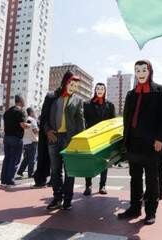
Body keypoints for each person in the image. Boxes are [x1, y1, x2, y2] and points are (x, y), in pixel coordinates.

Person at [118, 60, 162, 225]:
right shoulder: (131, 94)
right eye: (137, 70)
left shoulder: (161, 91)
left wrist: (161, 139)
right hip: (133, 143)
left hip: (151, 143)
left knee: (151, 178)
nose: (140, 73)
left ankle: (150, 211)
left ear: (150, 71)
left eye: (143, 70)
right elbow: (126, 119)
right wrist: (124, 141)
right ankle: (134, 208)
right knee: (134, 178)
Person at [44, 70, 85, 210]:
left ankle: (68, 199)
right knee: (55, 170)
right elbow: (44, 117)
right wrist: (48, 131)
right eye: (71, 84)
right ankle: (57, 197)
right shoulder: (52, 97)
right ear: (65, 82)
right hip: (53, 137)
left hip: (70, 139)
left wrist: (80, 140)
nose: (73, 87)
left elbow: (80, 121)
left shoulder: (78, 100)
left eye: (76, 86)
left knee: (70, 171)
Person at [83, 83, 115, 196]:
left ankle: (102, 185)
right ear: (95, 90)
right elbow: (84, 121)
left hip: (104, 138)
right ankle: (88, 186)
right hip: (90, 137)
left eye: (102, 88)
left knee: (104, 162)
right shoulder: (87, 104)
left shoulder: (110, 105)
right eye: (98, 88)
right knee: (88, 161)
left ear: (105, 90)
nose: (100, 90)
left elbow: (113, 123)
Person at [0, 95, 30, 187]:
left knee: (7, 159)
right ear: (21, 101)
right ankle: (10, 180)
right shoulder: (21, 111)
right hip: (16, 138)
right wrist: (29, 125)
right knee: (15, 159)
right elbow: (23, 125)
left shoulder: (7, 111)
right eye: (24, 100)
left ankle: (4, 180)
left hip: (7, 137)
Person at [17, 107, 39, 178]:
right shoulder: (32, 120)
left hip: (25, 141)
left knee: (26, 158)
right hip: (32, 140)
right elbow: (35, 130)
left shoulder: (24, 119)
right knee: (32, 158)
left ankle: (20, 171)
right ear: (31, 112)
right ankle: (30, 173)